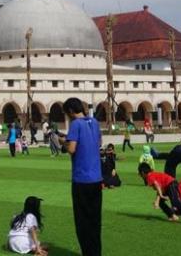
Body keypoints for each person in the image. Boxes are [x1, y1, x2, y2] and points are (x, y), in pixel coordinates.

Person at [64, 97, 102, 256]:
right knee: (95, 220)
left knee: (82, 221)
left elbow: (72, 148)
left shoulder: (75, 124)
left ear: (71, 111)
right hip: (96, 178)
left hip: (81, 179)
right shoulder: (94, 122)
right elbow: (99, 143)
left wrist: (62, 142)